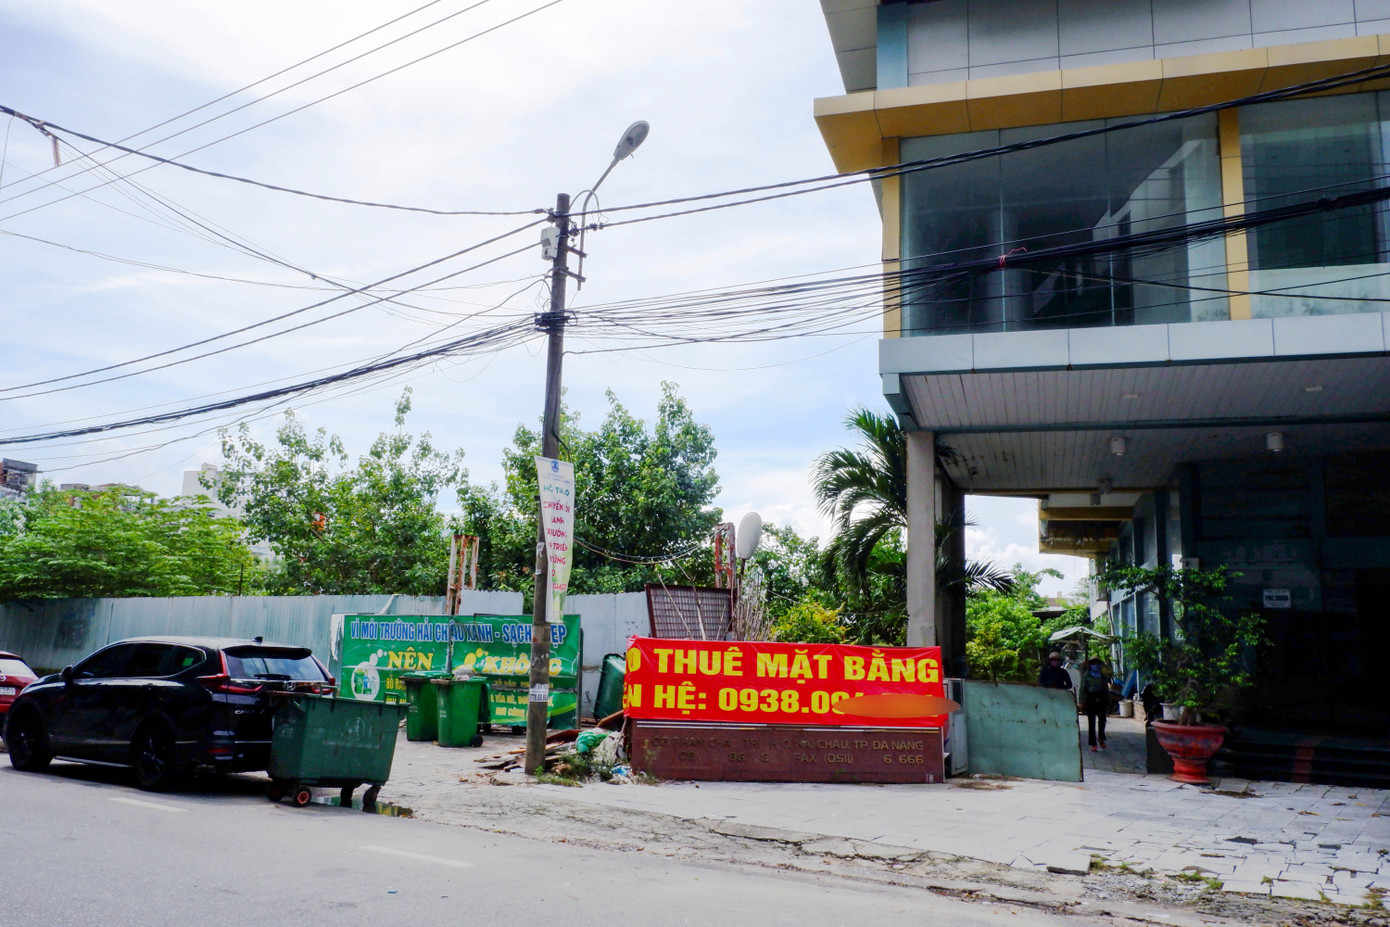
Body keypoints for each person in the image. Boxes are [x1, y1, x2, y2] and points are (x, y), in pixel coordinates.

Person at [1080, 657, 1110, 751]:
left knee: (1102, 720)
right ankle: (1093, 743)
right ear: (1089, 665)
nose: (1095, 665)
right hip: (1090, 699)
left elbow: (1106, 689)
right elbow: (1082, 690)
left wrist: (1108, 701)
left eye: (1097, 664)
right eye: (1093, 663)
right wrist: (1081, 701)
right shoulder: (1086, 676)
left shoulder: (1103, 676)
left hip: (1101, 699)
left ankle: (1101, 737)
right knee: (1091, 722)